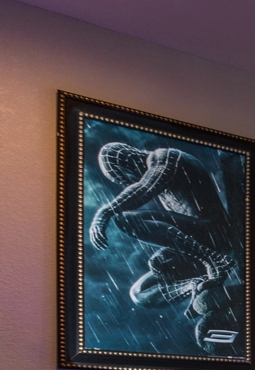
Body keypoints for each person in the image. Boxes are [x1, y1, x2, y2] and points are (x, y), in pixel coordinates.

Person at [86, 141, 243, 355]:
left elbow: (145, 188)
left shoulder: (166, 158)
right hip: (199, 243)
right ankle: (194, 284)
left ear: (126, 160)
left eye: (124, 177)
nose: (128, 182)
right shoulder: (156, 169)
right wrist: (165, 258)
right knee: (139, 293)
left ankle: (214, 261)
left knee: (125, 219)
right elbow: (174, 231)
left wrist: (104, 212)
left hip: (214, 233)